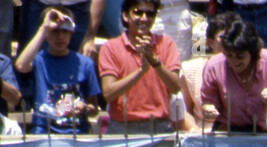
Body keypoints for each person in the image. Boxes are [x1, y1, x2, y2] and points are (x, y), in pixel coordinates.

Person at [97, 0, 186, 132]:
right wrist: (141, 71)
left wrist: (155, 61)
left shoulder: (167, 44)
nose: (144, 18)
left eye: (150, 14)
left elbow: (175, 88)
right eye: (138, 12)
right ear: (125, 16)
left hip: (159, 125)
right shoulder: (110, 47)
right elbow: (109, 93)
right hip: (122, 127)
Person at [15, 6, 101, 134]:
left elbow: (94, 108)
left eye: (65, 31)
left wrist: (84, 108)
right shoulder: (39, 60)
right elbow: (21, 66)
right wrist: (44, 28)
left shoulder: (85, 64)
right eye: (54, 31)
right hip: (44, 131)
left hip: (76, 132)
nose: (60, 36)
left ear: (72, 33)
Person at [200, 17, 267, 131]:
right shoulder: (213, 66)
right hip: (228, 131)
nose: (234, 61)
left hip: (265, 131)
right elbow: (208, 102)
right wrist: (209, 109)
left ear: (253, 53)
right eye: (229, 55)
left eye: (240, 57)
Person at [181, 10, 238, 129]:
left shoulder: (246, 67)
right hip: (203, 137)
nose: (229, 42)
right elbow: (184, 111)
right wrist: (195, 133)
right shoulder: (191, 69)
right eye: (224, 37)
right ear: (210, 43)